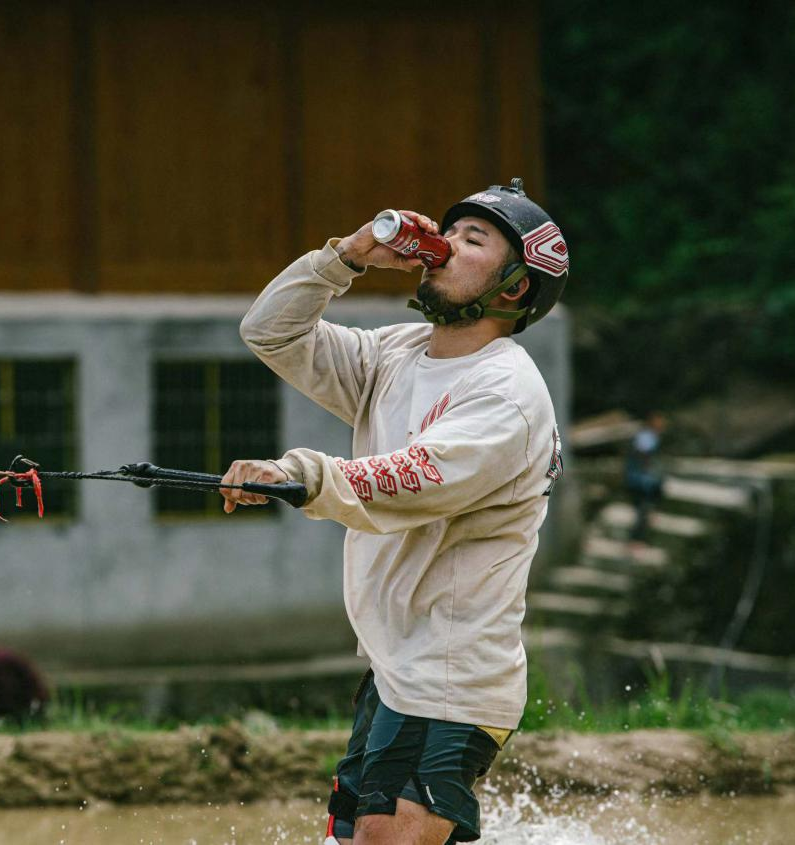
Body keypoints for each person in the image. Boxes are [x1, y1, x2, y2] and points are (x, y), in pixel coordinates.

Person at [224, 179, 568, 845]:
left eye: (471, 241)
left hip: (449, 672)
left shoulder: (507, 391)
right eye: (446, 231)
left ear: (514, 287)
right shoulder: (396, 353)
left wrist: (295, 472)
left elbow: (410, 480)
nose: (441, 247)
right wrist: (345, 256)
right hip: (394, 669)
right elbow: (269, 330)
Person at [625, 411, 667, 541]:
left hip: (646, 481)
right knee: (642, 512)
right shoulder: (646, 436)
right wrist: (648, 466)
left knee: (645, 513)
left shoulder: (650, 436)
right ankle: (635, 541)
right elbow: (642, 452)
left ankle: (638, 540)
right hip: (640, 481)